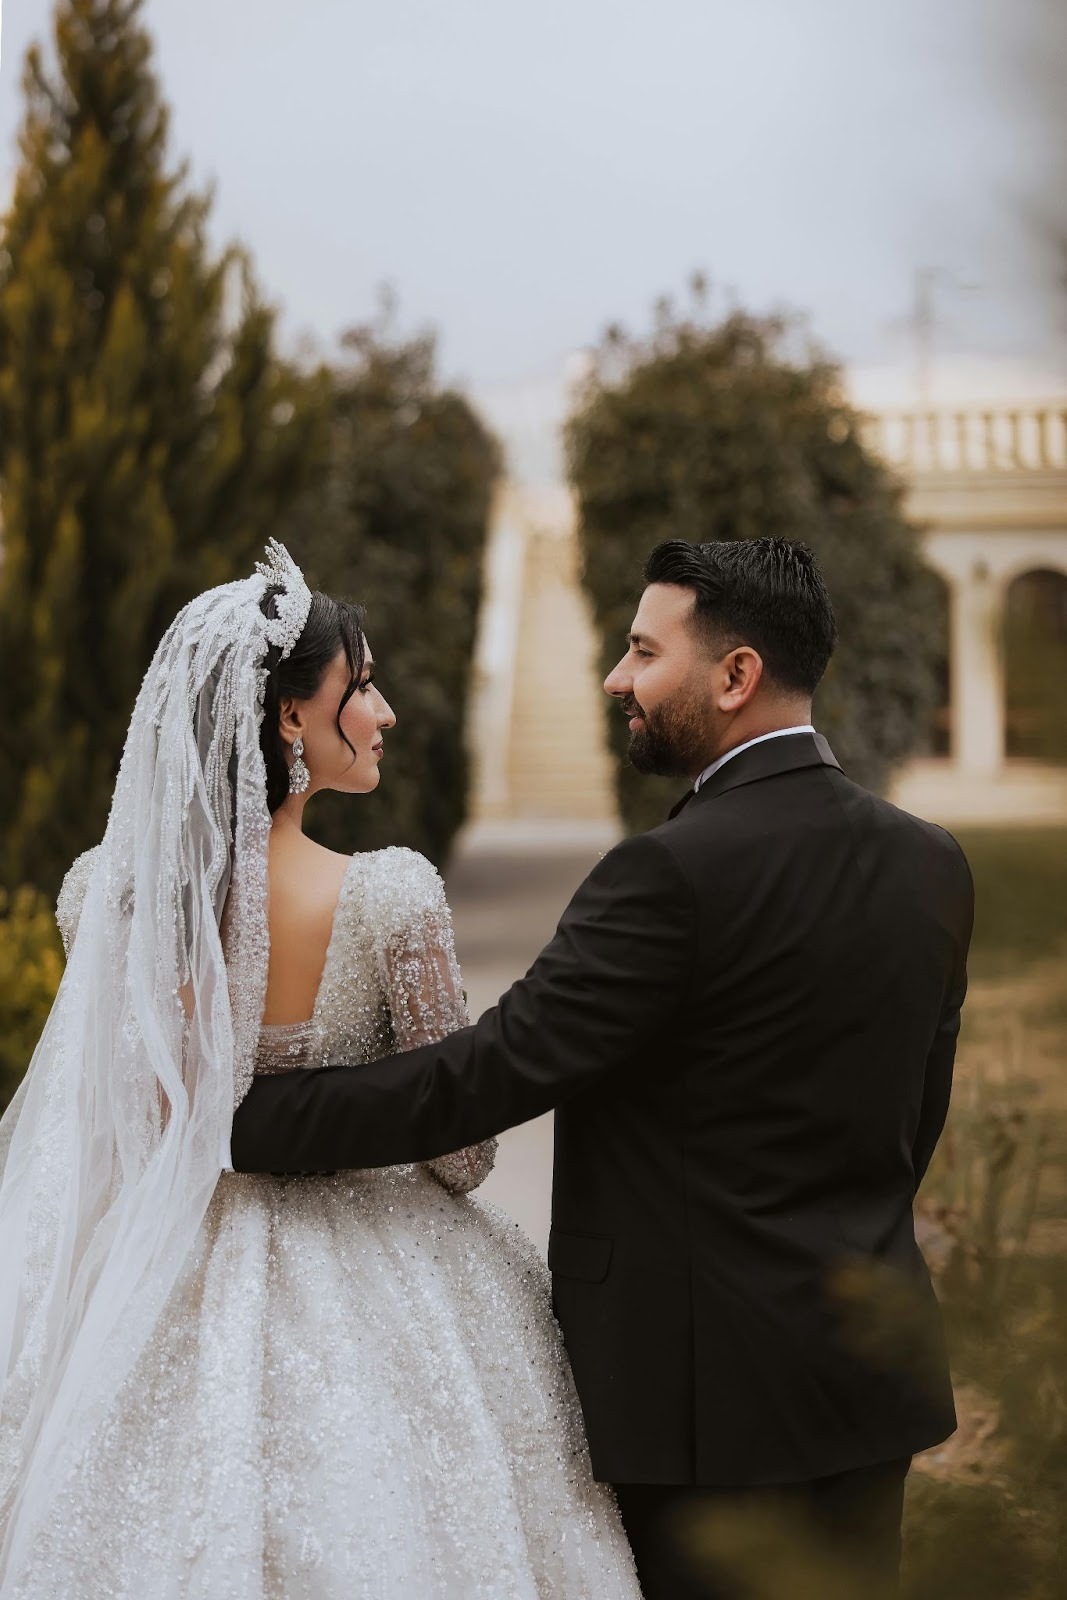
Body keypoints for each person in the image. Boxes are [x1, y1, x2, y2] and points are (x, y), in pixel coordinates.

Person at [233, 537, 975, 1600]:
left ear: (735, 675)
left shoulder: (668, 875)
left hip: (697, 1407)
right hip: (866, 1385)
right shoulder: (929, 861)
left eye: (643, 652)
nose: (616, 678)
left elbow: (482, 1077)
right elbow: (913, 1119)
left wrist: (238, 1120)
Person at [0, 541, 642, 1598]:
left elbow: (128, 1116)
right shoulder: (389, 897)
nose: (384, 712)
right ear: (291, 716)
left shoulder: (105, 894)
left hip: (153, 1268)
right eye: (363, 685)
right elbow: (465, 1158)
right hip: (380, 1283)